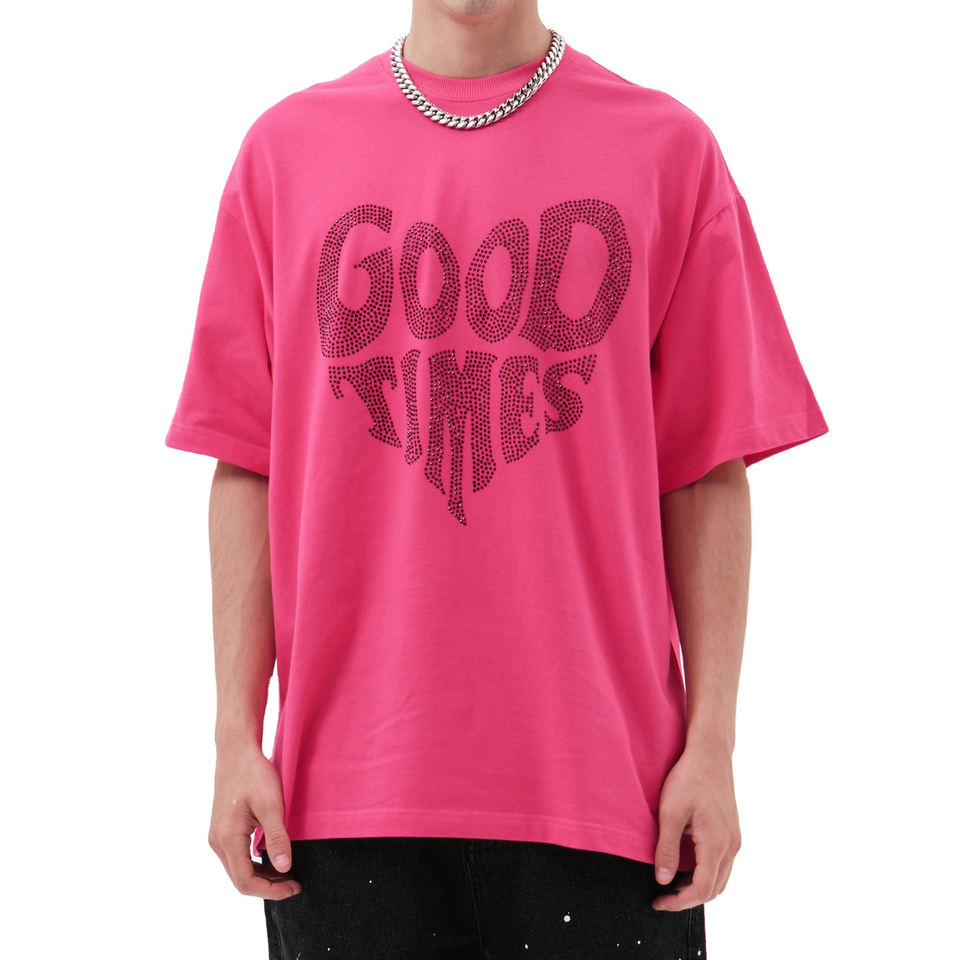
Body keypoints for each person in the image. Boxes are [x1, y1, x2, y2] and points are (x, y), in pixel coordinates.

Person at [164, 2, 829, 957]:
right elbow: (246, 460)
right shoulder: (284, 154)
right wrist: (234, 736)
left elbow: (704, 473)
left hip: (613, 800)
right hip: (342, 803)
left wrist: (713, 743)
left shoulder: (668, 151)